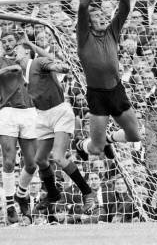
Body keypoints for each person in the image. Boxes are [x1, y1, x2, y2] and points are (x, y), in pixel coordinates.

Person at [13, 41, 96, 217]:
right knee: (40, 159)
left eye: (17, 49)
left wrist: (59, 67)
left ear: (27, 52)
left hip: (59, 112)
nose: (13, 51)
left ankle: (87, 192)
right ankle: (53, 193)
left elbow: (50, 63)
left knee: (58, 157)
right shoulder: (23, 73)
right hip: (42, 116)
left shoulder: (36, 63)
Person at [74, 0, 143, 160]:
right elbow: (82, 6)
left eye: (104, 15)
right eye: (97, 16)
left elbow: (125, 8)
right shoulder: (84, 38)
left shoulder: (112, 32)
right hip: (97, 96)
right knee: (95, 149)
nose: (103, 17)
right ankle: (81, 144)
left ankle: (109, 139)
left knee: (135, 136)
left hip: (116, 91)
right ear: (88, 22)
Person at [0, 31, 37, 224]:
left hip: (29, 112)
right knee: (9, 161)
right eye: (3, 41)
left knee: (31, 163)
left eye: (10, 40)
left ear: (18, 42)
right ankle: (10, 203)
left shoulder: (28, 57)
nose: (7, 44)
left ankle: (21, 193)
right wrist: (6, 69)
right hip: (8, 112)